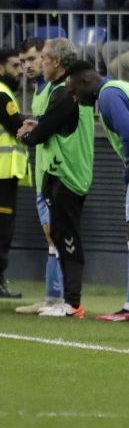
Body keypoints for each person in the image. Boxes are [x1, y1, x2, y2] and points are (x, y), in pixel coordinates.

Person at [66, 61, 129, 322]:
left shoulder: (108, 95)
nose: (74, 97)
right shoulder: (124, 88)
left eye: (74, 90)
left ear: (86, 81)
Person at [18, 39, 95, 319]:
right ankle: (64, 300)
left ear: (57, 62)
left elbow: (40, 135)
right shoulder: (68, 89)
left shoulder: (65, 92)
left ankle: (72, 303)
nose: (41, 63)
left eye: (44, 58)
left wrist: (29, 133)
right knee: (61, 237)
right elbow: (52, 123)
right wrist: (38, 125)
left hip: (69, 174)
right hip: (62, 172)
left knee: (68, 237)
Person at [14, 37, 65, 313]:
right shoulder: (40, 90)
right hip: (42, 172)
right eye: (23, 62)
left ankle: (60, 299)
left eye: (33, 59)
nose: (28, 66)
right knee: (50, 235)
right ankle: (52, 297)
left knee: (55, 235)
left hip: (56, 173)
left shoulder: (57, 90)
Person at [0, 48, 28, 299]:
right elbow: (18, 128)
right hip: (3, 174)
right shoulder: (2, 95)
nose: (20, 71)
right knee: (3, 231)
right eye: (14, 66)